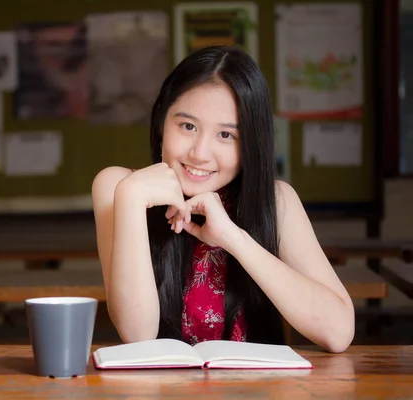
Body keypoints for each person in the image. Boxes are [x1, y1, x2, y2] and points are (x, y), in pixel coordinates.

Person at [91, 46, 354, 353]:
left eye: (226, 135)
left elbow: (338, 332)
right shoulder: (120, 187)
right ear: (162, 123)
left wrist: (232, 237)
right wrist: (131, 198)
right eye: (187, 126)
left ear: (251, 144)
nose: (200, 153)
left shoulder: (277, 201)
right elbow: (137, 334)